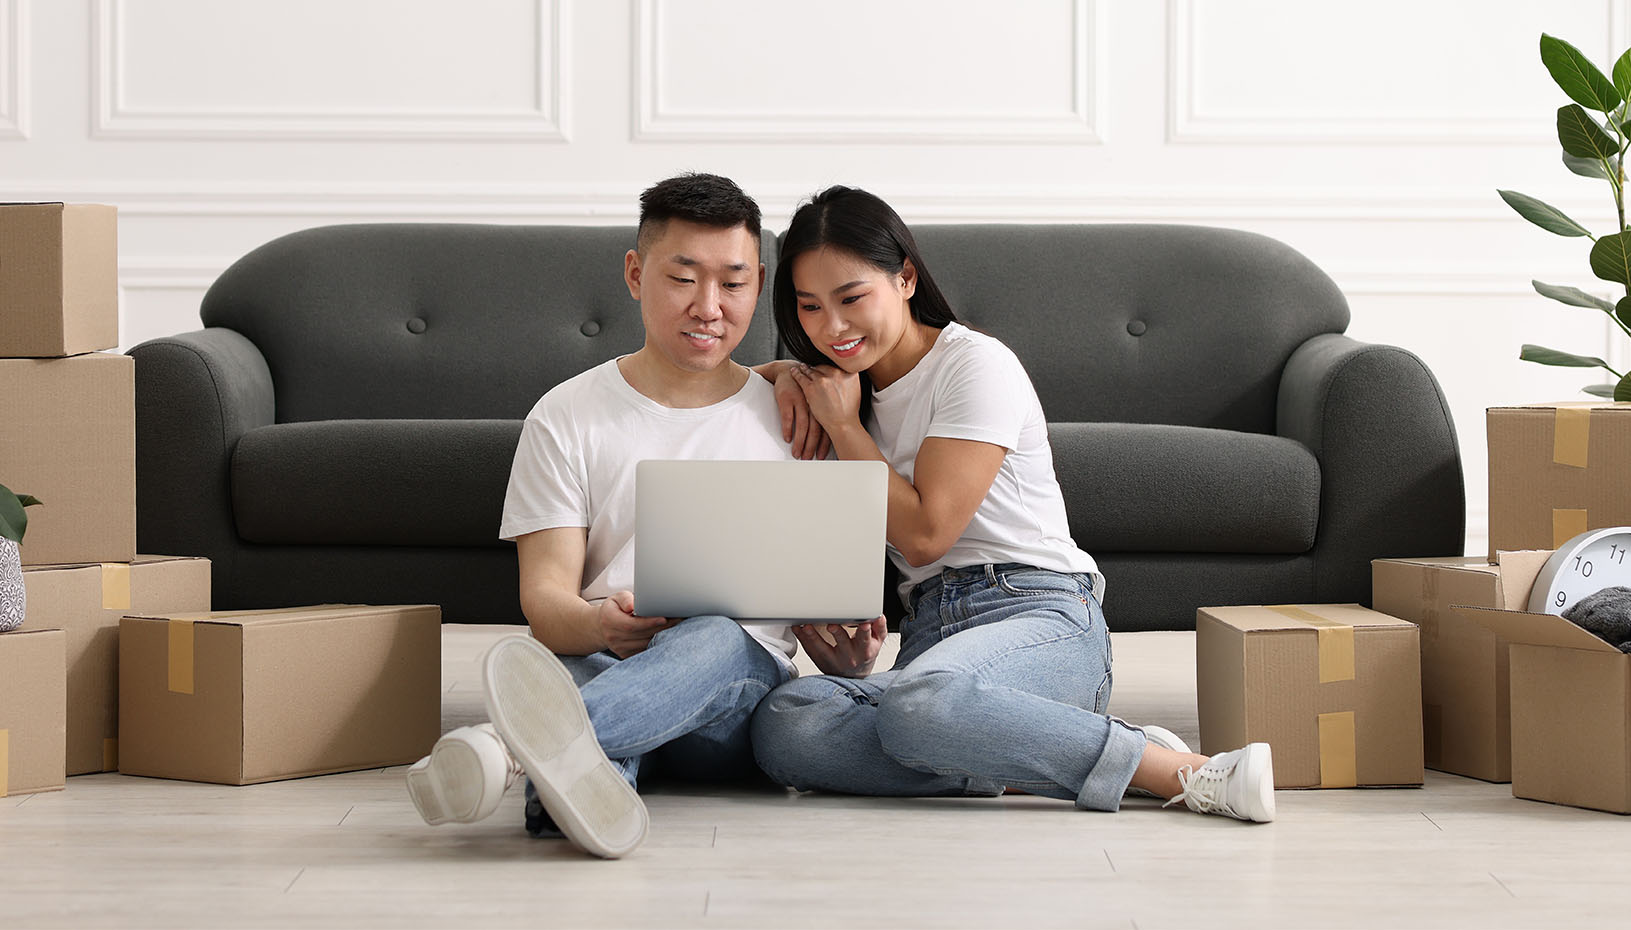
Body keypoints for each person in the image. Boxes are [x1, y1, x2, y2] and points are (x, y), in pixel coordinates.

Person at [749, 186, 1277, 823]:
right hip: (931, 641)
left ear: (906, 278)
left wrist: (845, 428)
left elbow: (925, 535)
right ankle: (1032, 754)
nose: (831, 327)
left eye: (851, 298)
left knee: (919, 707)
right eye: (809, 307)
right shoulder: (841, 390)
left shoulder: (974, 365)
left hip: (1038, 612)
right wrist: (780, 375)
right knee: (785, 724)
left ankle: (1171, 770)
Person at [402, 172, 848, 859]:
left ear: (759, 284)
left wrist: (850, 648)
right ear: (636, 275)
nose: (708, 307)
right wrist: (600, 624)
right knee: (572, 671)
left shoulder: (799, 416)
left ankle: (505, 748)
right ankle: (587, 777)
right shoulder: (566, 415)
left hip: (730, 703)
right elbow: (546, 602)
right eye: (683, 278)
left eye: (732, 284)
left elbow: (826, 607)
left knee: (716, 635)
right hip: (607, 660)